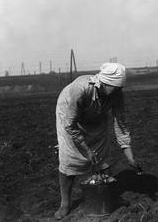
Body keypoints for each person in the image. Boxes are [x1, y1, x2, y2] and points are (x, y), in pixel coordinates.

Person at [54, 63, 141, 219]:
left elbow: (120, 124)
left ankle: (103, 196)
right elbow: (70, 124)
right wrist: (86, 150)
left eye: (121, 88)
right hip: (68, 112)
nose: (119, 91)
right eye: (116, 87)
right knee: (70, 156)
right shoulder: (81, 89)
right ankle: (65, 204)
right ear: (104, 83)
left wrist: (130, 157)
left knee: (100, 152)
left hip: (97, 114)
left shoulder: (116, 94)